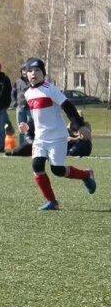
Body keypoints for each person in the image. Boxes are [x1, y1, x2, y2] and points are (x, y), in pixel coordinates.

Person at [19, 57, 96, 210]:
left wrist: (80, 126)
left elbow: (68, 107)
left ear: (44, 73)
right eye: (30, 70)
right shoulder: (28, 94)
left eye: (37, 70)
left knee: (58, 170)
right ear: (26, 74)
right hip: (40, 138)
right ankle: (52, 202)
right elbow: (38, 117)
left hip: (57, 137)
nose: (34, 73)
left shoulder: (50, 89)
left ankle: (86, 175)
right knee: (37, 165)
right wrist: (28, 126)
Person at [12, 66, 33, 147]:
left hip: (29, 108)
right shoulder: (17, 82)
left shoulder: (32, 82)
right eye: (23, 70)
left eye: (26, 70)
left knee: (29, 126)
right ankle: (21, 145)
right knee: (21, 127)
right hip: (20, 107)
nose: (24, 72)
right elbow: (13, 93)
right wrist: (14, 102)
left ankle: (30, 144)